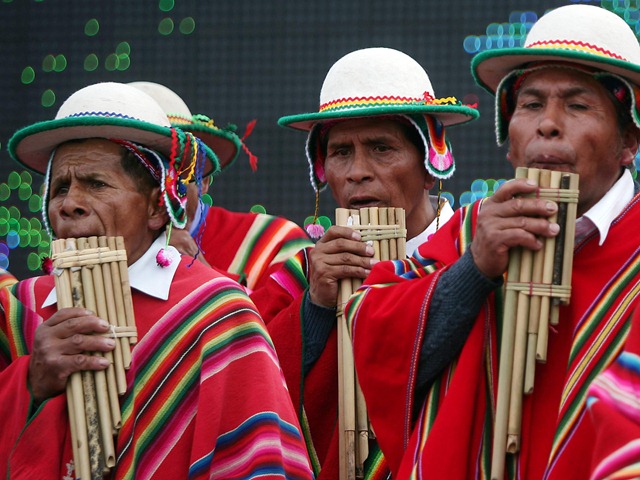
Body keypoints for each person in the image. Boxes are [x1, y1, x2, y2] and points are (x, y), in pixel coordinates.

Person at [343, 4, 640, 479]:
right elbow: (374, 336)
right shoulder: (469, 230)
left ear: (628, 140)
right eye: (531, 104)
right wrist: (473, 270)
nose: (548, 123)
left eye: (578, 105)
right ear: (510, 139)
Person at [0, 82, 313, 479]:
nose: (69, 203)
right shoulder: (20, 308)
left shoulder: (217, 313)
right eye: (60, 187)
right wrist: (29, 381)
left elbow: (255, 462)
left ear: (156, 207)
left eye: (95, 184)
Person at [253, 47, 478, 478]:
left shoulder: (476, 252)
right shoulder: (299, 277)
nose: (357, 171)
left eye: (381, 148)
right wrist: (315, 309)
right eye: (341, 152)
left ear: (430, 166)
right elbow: (255, 392)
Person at [128, 81, 313, 292]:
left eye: (174, 172)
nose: (157, 197)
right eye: (133, 176)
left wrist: (203, 275)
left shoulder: (275, 243)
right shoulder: (86, 241)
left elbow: (291, 322)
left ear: (203, 180)